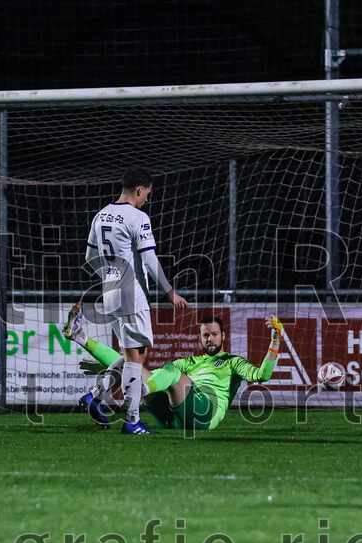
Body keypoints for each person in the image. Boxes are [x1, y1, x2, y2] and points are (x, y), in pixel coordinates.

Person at [83, 168, 188, 434]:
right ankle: (131, 420)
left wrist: (111, 275)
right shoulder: (137, 217)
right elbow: (151, 261)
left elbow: (89, 257)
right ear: (140, 190)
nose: (147, 200)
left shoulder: (100, 215)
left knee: (134, 354)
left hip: (109, 292)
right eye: (147, 194)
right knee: (136, 358)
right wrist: (169, 292)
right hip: (131, 293)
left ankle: (95, 395)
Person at [64, 309, 282, 431]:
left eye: (215, 334)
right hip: (171, 419)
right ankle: (80, 337)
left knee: (167, 371)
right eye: (206, 335)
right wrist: (113, 368)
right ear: (200, 338)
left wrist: (275, 339)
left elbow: (263, 375)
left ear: (223, 336)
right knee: (132, 363)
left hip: (204, 415)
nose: (210, 338)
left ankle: (137, 392)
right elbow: (157, 376)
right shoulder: (189, 362)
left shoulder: (233, 362)